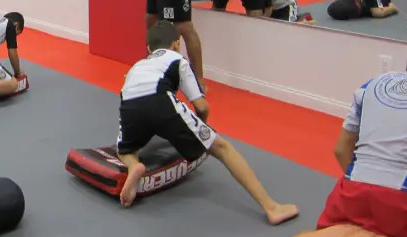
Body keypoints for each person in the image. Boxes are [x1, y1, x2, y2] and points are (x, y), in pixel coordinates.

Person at [235, 52, 407, 237]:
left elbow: (341, 149)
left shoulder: (371, 85)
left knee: (333, 233)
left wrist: (363, 188)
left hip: (353, 185)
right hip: (403, 197)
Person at [117, 21, 299, 225]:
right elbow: (202, 106)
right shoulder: (178, 59)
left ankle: (134, 166)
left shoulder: (137, 66)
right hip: (160, 101)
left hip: (129, 106)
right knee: (223, 148)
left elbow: (130, 97)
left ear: (148, 49)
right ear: (177, 44)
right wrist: (203, 132)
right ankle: (271, 208)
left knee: (125, 150)